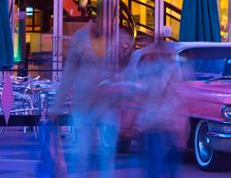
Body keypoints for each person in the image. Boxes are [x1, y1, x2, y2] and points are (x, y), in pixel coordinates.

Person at [49, 11, 131, 177]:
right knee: (80, 153)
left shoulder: (118, 39)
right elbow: (69, 73)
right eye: (104, 22)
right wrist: (56, 107)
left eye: (111, 22)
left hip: (108, 105)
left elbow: (126, 68)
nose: (107, 26)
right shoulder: (80, 38)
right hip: (83, 104)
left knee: (107, 154)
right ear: (94, 21)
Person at [135, 42, 188, 178]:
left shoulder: (153, 70)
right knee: (166, 164)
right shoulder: (175, 69)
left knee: (155, 164)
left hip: (156, 122)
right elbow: (180, 97)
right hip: (166, 123)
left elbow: (147, 92)